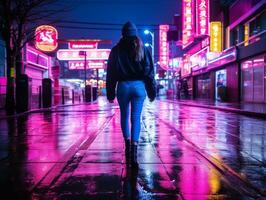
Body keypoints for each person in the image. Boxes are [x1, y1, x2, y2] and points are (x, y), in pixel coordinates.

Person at [106, 21, 156, 169]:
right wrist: (152, 91)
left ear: (123, 34)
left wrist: (110, 93)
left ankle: (127, 147)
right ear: (135, 33)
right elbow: (149, 72)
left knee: (124, 116)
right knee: (136, 118)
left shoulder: (116, 50)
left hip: (123, 86)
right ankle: (134, 153)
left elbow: (111, 74)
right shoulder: (143, 49)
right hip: (139, 86)